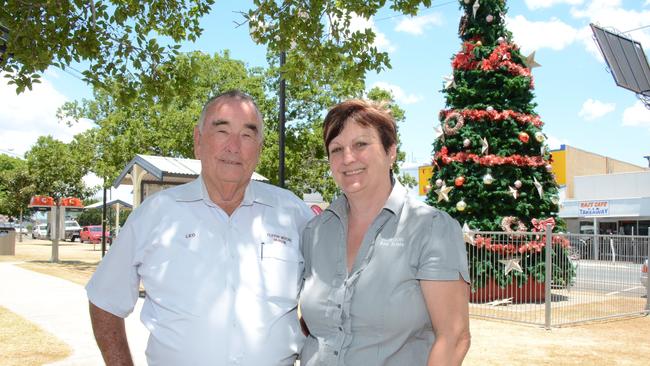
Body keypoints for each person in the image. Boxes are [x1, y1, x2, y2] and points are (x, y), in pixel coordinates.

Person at [86, 90, 313, 366]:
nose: (234, 146)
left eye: (247, 134)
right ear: (198, 141)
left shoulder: (293, 214)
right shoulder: (155, 215)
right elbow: (104, 300)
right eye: (222, 131)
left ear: (260, 149)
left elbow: (329, 297)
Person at [299, 99, 471, 366]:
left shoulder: (431, 229)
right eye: (336, 149)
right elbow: (317, 327)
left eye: (361, 144)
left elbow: (454, 337)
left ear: (391, 151)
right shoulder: (315, 232)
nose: (348, 158)